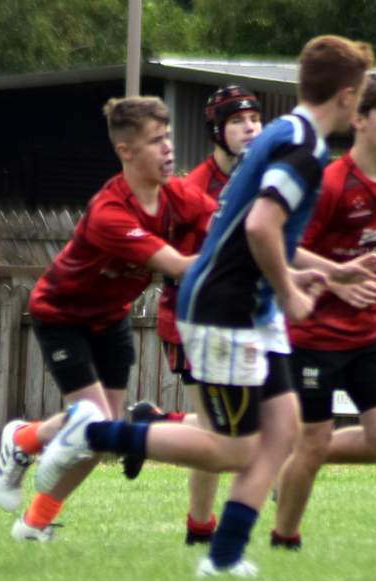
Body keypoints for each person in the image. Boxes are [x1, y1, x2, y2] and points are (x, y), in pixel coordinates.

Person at [27, 35, 376, 577]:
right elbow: (261, 227)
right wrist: (288, 290)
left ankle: (224, 557)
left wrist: (325, 272)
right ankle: (94, 433)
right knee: (233, 449)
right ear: (348, 96)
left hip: (249, 307)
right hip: (227, 308)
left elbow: (245, 229)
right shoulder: (305, 151)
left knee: (282, 433)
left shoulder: (285, 132)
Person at [0, 96, 215, 542]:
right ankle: (22, 440)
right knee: (92, 424)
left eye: (169, 137)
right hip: (61, 315)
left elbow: (224, 224)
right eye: (156, 140)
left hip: (111, 319)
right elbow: (178, 266)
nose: (168, 148)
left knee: (100, 437)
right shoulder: (110, 213)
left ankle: (34, 521)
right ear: (125, 151)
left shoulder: (177, 196)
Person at [273, 70, 376, 550]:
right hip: (314, 335)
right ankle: (284, 539)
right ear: (358, 119)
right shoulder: (330, 184)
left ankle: (292, 460)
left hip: (367, 332)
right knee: (314, 442)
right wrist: (338, 279)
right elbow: (285, 246)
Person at [143, 85, 263, 547]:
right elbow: (165, 257)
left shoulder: (267, 178)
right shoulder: (191, 188)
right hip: (192, 320)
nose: (249, 128)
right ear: (216, 131)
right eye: (237, 121)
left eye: (254, 119)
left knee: (248, 425)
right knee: (216, 432)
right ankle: (200, 528)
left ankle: (159, 423)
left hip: (248, 319)